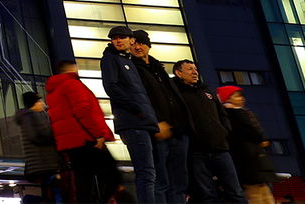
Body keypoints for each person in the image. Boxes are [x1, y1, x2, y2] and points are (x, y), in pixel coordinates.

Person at [45, 59, 121, 204]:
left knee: (84, 182)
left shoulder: (54, 90)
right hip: (86, 139)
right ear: (71, 68)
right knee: (113, 175)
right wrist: (97, 134)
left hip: (71, 143)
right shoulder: (72, 84)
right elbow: (82, 111)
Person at [100, 25, 158, 204]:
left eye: (121, 37)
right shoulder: (110, 58)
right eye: (114, 38)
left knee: (150, 172)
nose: (117, 40)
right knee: (146, 172)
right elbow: (111, 87)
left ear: (131, 40)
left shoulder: (128, 60)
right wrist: (136, 108)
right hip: (133, 122)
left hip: (143, 121)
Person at [172, 60, 243, 203]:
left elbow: (222, 115)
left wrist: (224, 132)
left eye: (195, 69)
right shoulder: (176, 94)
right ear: (178, 73)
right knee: (207, 194)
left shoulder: (207, 91)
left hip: (220, 149)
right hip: (197, 151)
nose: (194, 72)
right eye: (189, 69)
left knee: (236, 192)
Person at [131, 29, 184, 204]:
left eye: (141, 43)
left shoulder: (157, 68)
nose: (138, 47)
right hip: (157, 130)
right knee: (160, 181)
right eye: (134, 43)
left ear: (148, 46)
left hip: (176, 130)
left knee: (178, 182)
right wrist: (155, 122)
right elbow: (140, 100)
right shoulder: (132, 69)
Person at [217, 86, 275, 204]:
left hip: (250, 160)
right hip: (249, 160)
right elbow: (254, 132)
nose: (241, 98)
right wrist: (261, 139)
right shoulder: (236, 113)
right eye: (236, 95)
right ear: (227, 98)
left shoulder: (230, 113)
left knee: (261, 191)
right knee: (257, 193)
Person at [15, 91, 60, 204]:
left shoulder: (34, 115)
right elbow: (37, 135)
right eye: (39, 101)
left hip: (42, 163)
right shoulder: (30, 116)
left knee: (49, 190)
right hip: (43, 162)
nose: (42, 103)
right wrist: (53, 133)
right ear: (33, 103)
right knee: (53, 190)